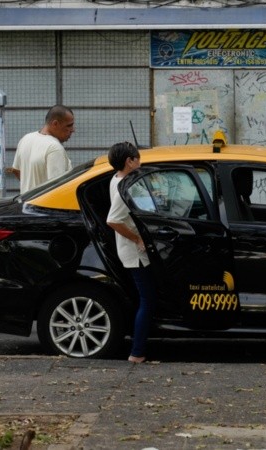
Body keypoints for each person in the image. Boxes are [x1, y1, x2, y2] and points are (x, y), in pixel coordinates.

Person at [105, 141, 157, 364]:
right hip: (134, 253)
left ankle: (139, 349)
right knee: (147, 300)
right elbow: (113, 220)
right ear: (130, 161)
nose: (140, 163)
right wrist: (137, 239)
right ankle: (137, 353)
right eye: (138, 159)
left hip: (132, 251)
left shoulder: (117, 177)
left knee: (145, 298)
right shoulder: (124, 187)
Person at [7, 105, 75, 193]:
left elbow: (16, 170)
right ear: (55, 124)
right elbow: (57, 188)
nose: (73, 130)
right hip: (44, 206)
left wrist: (31, 187)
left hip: (26, 204)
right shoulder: (54, 148)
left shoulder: (26, 139)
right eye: (69, 126)